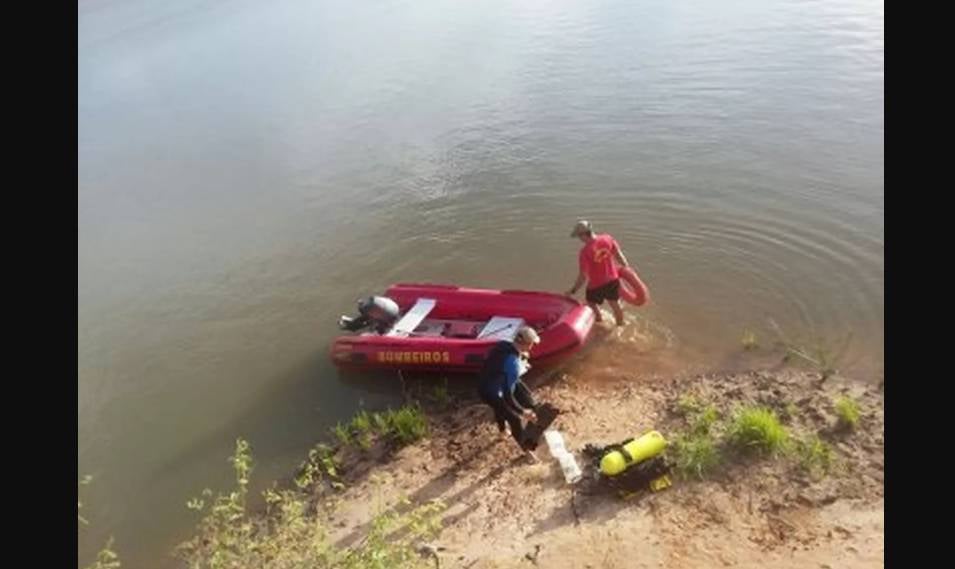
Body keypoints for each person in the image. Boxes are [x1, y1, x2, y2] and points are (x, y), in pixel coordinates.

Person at [477, 325, 542, 462]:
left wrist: (520, 358)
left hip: (488, 378)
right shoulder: (512, 365)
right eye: (531, 344)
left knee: (521, 392)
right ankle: (527, 452)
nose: (532, 347)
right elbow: (508, 396)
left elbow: (498, 360)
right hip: (489, 391)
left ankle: (502, 432)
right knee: (514, 418)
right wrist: (522, 412)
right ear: (526, 344)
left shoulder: (504, 345)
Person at [564, 219, 630, 326]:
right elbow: (619, 256)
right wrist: (627, 270)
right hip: (613, 279)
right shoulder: (607, 238)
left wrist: (573, 290)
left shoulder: (584, 252)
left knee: (591, 303)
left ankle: (599, 320)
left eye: (579, 236)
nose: (579, 239)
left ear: (583, 235)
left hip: (596, 284)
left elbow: (583, 276)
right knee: (615, 304)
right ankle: (620, 325)